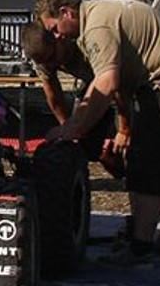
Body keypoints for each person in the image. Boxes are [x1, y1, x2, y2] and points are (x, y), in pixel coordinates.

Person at [34, 0, 160, 265]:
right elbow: (121, 86)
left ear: (67, 12)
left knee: (147, 164)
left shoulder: (96, 27)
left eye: (55, 28)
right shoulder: (100, 12)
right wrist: (123, 128)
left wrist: (74, 128)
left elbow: (106, 82)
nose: (57, 35)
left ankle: (141, 247)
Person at [20, 21, 129, 173]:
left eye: (52, 57)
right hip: (93, 83)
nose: (51, 64)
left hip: (121, 79)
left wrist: (124, 130)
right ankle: (112, 163)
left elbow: (117, 86)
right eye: (45, 63)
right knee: (82, 143)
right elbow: (53, 95)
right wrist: (67, 129)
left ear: (58, 38)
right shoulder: (44, 57)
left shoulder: (84, 40)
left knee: (130, 143)